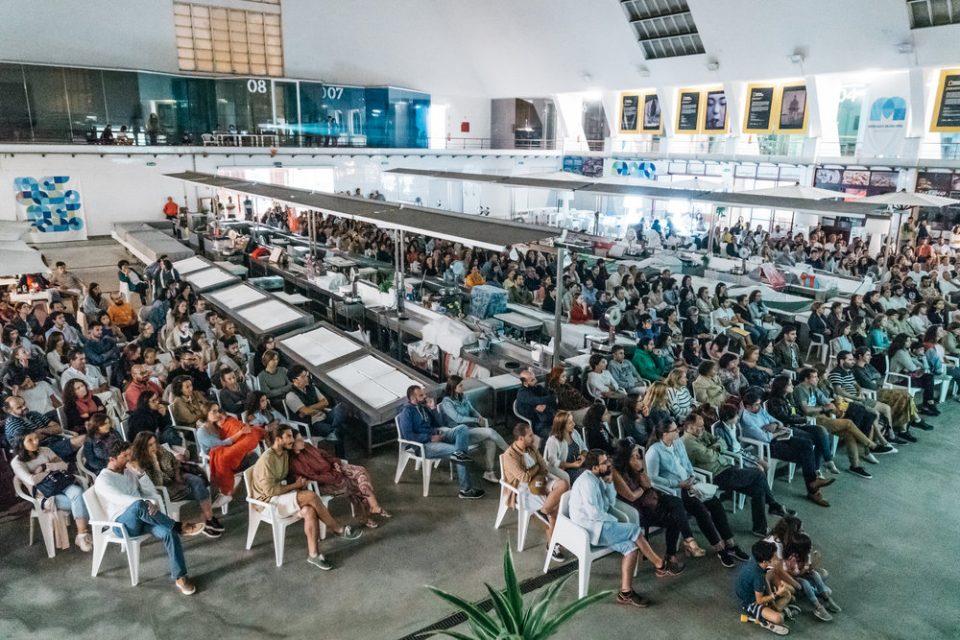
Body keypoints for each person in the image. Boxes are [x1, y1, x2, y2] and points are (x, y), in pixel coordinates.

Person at [94, 440, 202, 595]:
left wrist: (141, 474)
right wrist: (144, 502)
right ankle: (178, 526)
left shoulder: (128, 470)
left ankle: (180, 577)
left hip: (144, 516)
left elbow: (150, 492)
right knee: (139, 506)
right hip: (123, 524)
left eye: (129, 453)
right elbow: (121, 499)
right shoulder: (103, 480)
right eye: (125, 455)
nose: (129, 457)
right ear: (111, 458)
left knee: (168, 533)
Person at [252, 424, 362, 571]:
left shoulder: (284, 454)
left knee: (309, 511)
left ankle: (314, 554)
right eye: (289, 436)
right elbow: (270, 491)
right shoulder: (267, 460)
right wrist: (295, 486)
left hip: (280, 495)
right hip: (267, 502)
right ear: (278, 440)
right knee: (310, 496)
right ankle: (337, 528)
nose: (292, 439)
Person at [567, 449, 664, 608]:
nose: (609, 464)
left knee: (631, 548)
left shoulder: (598, 479)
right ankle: (660, 565)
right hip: (589, 529)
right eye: (604, 462)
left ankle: (625, 593)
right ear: (595, 468)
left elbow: (609, 503)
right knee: (634, 530)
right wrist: (614, 521)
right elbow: (595, 513)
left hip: (600, 525)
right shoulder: (587, 483)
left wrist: (610, 482)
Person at [645, 419, 749, 568]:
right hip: (674, 491)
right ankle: (719, 548)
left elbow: (687, 463)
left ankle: (730, 543)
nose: (678, 431)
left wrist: (692, 477)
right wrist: (678, 484)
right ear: (665, 434)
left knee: (715, 504)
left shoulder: (678, 443)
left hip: (689, 483)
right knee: (701, 511)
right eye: (674, 430)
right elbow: (653, 479)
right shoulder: (654, 451)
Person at [681, 414, 794, 537]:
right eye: (700, 427)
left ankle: (760, 527)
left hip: (726, 468)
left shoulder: (701, 434)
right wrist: (716, 448)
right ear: (690, 427)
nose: (703, 429)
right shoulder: (688, 442)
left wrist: (714, 447)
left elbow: (721, 442)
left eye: (703, 426)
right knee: (758, 473)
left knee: (758, 489)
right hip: (716, 475)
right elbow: (709, 456)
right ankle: (773, 505)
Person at [612, 440, 701, 570]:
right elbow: (631, 496)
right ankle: (672, 556)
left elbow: (648, 484)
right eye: (635, 454)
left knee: (677, 502)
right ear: (626, 456)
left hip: (650, 500)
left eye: (638, 454)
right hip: (635, 510)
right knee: (674, 519)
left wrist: (640, 469)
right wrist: (642, 489)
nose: (638, 456)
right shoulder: (616, 472)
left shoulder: (636, 465)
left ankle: (688, 539)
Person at [740, 388, 834, 507]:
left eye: (759, 404)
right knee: (805, 455)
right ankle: (813, 488)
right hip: (768, 446)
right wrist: (777, 432)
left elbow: (775, 421)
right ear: (748, 406)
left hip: (778, 437)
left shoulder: (758, 410)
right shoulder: (747, 420)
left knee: (807, 444)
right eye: (756, 405)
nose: (759, 407)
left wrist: (774, 425)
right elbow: (764, 438)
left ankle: (813, 484)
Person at [396, 385, 484, 499]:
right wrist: (429, 438)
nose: (425, 396)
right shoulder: (407, 412)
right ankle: (465, 490)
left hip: (436, 435)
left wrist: (432, 408)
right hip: (424, 445)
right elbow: (408, 435)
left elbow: (439, 423)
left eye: (424, 394)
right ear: (413, 398)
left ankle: (459, 456)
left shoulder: (423, 407)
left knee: (462, 428)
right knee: (459, 452)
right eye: (421, 395)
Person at [129, 432, 223, 537]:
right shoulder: (140, 462)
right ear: (142, 447)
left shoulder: (160, 449)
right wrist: (155, 463)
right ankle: (205, 520)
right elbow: (157, 483)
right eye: (150, 445)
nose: (154, 446)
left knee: (197, 481)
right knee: (200, 490)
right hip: (163, 488)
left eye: (154, 442)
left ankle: (209, 518)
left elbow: (175, 462)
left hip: (174, 477)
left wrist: (178, 474)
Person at [289, 432, 390, 528]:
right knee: (354, 484)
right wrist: (336, 474)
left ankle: (371, 507)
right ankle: (368, 511)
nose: (303, 440)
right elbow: (315, 478)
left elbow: (325, 455)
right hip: (324, 484)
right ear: (292, 444)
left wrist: (335, 463)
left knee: (361, 471)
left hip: (333, 471)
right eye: (299, 440)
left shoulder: (307, 446)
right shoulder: (295, 462)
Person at [12, 431, 92, 552]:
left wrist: (44, 467)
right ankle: (85, 533)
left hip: (60, 483)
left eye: (36, 438)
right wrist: (52, 467)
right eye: (30, 440)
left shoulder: (44, 450)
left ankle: (81, 534)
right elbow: (32, 480)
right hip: (44, 495)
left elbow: (63, 465)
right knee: (82, 501)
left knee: (77, 491)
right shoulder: (17, 462)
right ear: (21, 444)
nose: (36, 441)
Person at [501, 423, 570, 561]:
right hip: (523, 491)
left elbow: (543, 467)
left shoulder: (530, 447)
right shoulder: (509, 456)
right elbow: (524, 478)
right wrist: (537, 467)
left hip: (540, 481)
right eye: (530, 435)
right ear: (520, 438)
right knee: (556, 509)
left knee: (564, 485)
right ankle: (552, 544)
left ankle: (543, 511)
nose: (533, 438)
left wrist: (537, 468)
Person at [438, 375, 507, 484]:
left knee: (490, 441)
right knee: (490, 432)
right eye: (460, 385)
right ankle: (512, 452)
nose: (463, 387)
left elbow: (472, 409)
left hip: (470, 429)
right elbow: (458, 418)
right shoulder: (447, 402)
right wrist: (475, 420)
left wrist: (479, 417)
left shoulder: (463, 396)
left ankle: (489, 472)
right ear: (453, 388)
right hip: (458, 434)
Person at [197, 404, 265, 495]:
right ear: (206, 414)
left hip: (229, 451)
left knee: (252, 453)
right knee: (252, 458)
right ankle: (259, 489)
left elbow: (231, 429)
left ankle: (259, 487)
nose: (217, 414)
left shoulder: (217, 424)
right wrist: (240, 432)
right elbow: (221, 444)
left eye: (218, 410)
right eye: (214, 411)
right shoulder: (201, 431)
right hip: (216, 458)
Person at [285, 365, 345, 457]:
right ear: (294, 380)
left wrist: (310, 408)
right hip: (312, 423)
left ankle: (332, 431)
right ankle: (341, 457)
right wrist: (315, 407)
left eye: (307, 375)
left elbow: (325, 402)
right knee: (339, 430)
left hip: (323, 415)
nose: (307, 378)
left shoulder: (311, 387)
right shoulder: (291, 396)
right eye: (303, 376)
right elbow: (306, 412)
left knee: (341, 407)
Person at [735, 541, 791, 635]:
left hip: (754, 590)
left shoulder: (758, 561)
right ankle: (764, 619)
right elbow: (759, 601)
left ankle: (772, 608)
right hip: (750, 602)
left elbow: (768, 573)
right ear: (765, 562)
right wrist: (776, 594)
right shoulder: (758, 576)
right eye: (774, 558)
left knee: (788, 595)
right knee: (779, 619)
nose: (777, 559)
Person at [4, 395, 80, 461]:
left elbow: (58, 428)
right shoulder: (12, 423)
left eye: (24, 404)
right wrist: (48, 431)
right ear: (10, 411)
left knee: (83, 444)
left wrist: (41, 431)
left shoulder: (33, 414)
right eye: (19, 407)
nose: (24, 407)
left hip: (55, 440)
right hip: (40, 451)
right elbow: (33, 441)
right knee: (83, 440)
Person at [543, 410, 588, 484]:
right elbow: (553, 462)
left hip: (579, 465)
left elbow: (584, 448)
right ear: (562, 425)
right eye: (570, 423)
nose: (574, 424)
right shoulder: (553, 440)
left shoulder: (574, 432)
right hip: (565, 471)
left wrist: (583, 455)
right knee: (589, 475)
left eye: (573, 421)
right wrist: (572, 465)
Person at [515, 369, 557, 439]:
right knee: (555, 437)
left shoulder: (537, 388)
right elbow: (540, 400)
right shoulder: (523, 393)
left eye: (535, 378)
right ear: (525, 383)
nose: (536, 381)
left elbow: (552, 398)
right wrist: (547, 401)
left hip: (548, 418)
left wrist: (545, 405)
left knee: (568, 430)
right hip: (537, 424)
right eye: (532, 380)